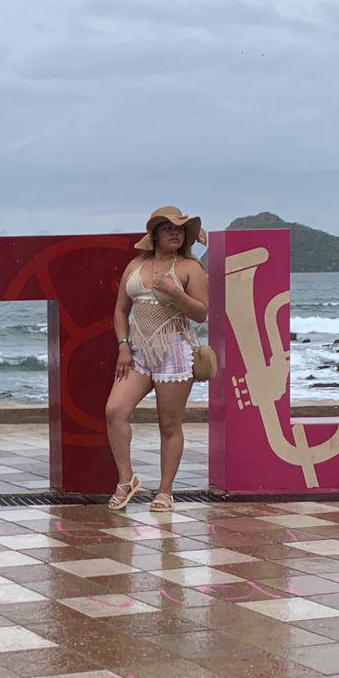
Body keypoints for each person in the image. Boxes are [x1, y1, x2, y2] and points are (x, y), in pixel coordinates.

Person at [105, 206, 210, 512]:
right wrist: (123, 346)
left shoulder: (190, 267)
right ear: (154, 234)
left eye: (180, 229)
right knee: (114, 411)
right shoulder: (135, 265)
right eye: (168, 228)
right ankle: (126, 478)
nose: (175, 233)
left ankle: (165, 491)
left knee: (168, 423)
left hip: (175, 350)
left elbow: (201, 313)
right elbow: (121, 309)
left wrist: (175, 292)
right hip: (138, 351)